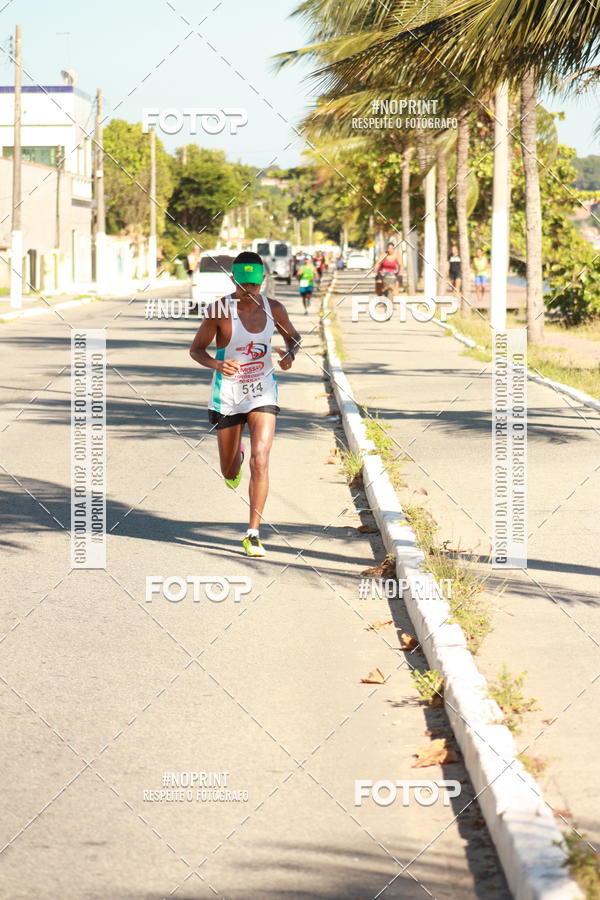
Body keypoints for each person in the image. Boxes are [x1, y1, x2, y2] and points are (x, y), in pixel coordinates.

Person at [189, 251, 301, 558]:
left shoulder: (274, 308)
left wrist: (290, 354)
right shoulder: (219, 311)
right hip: (227, 395)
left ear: (263, 280)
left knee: (261, 458)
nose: (249, 290)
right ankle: (234, 456)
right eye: (243, 284)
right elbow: (196, 350)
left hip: (262, 392)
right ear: (233, 280)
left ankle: (253, 533)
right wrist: (217, 364)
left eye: (254, 284)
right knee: (229, 472)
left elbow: (294, 337)